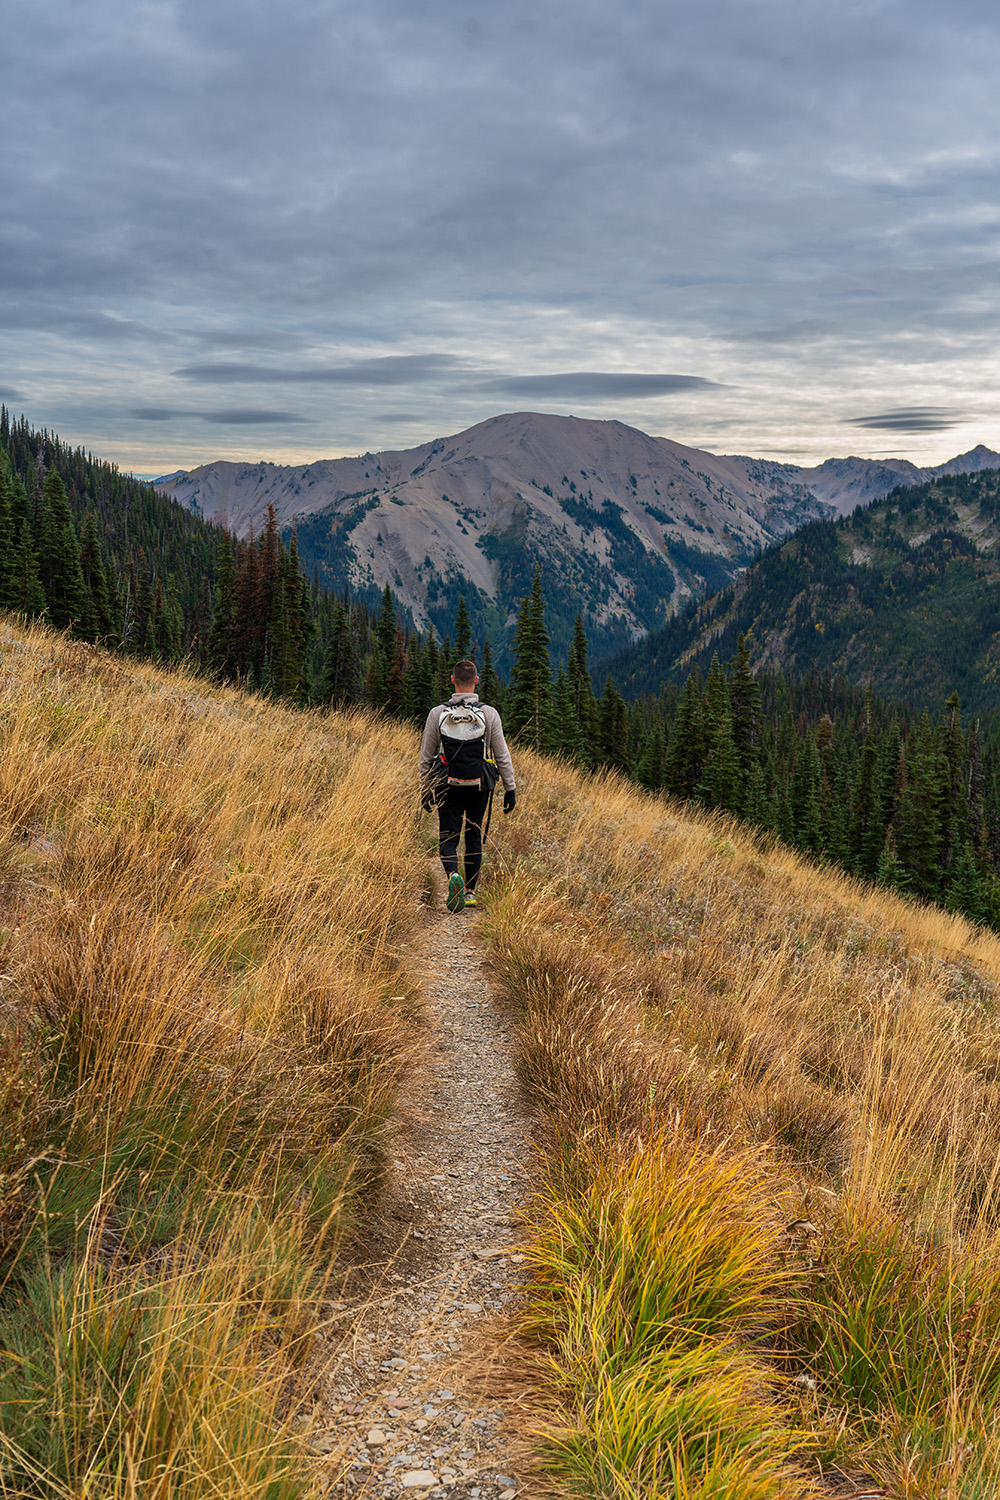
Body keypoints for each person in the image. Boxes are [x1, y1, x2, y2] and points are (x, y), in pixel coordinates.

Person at [419, 658, 516, 911]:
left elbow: (427, 756)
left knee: (448, 837)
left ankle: (453, 876)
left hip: (446, 784)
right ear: (476, 681)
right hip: (479, 785)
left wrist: (425, 788)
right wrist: (510, 788)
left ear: (452, 680)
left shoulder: (437, 713)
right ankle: (471, 893)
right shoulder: (489, 714)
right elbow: (502, 754)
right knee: (473, 837)